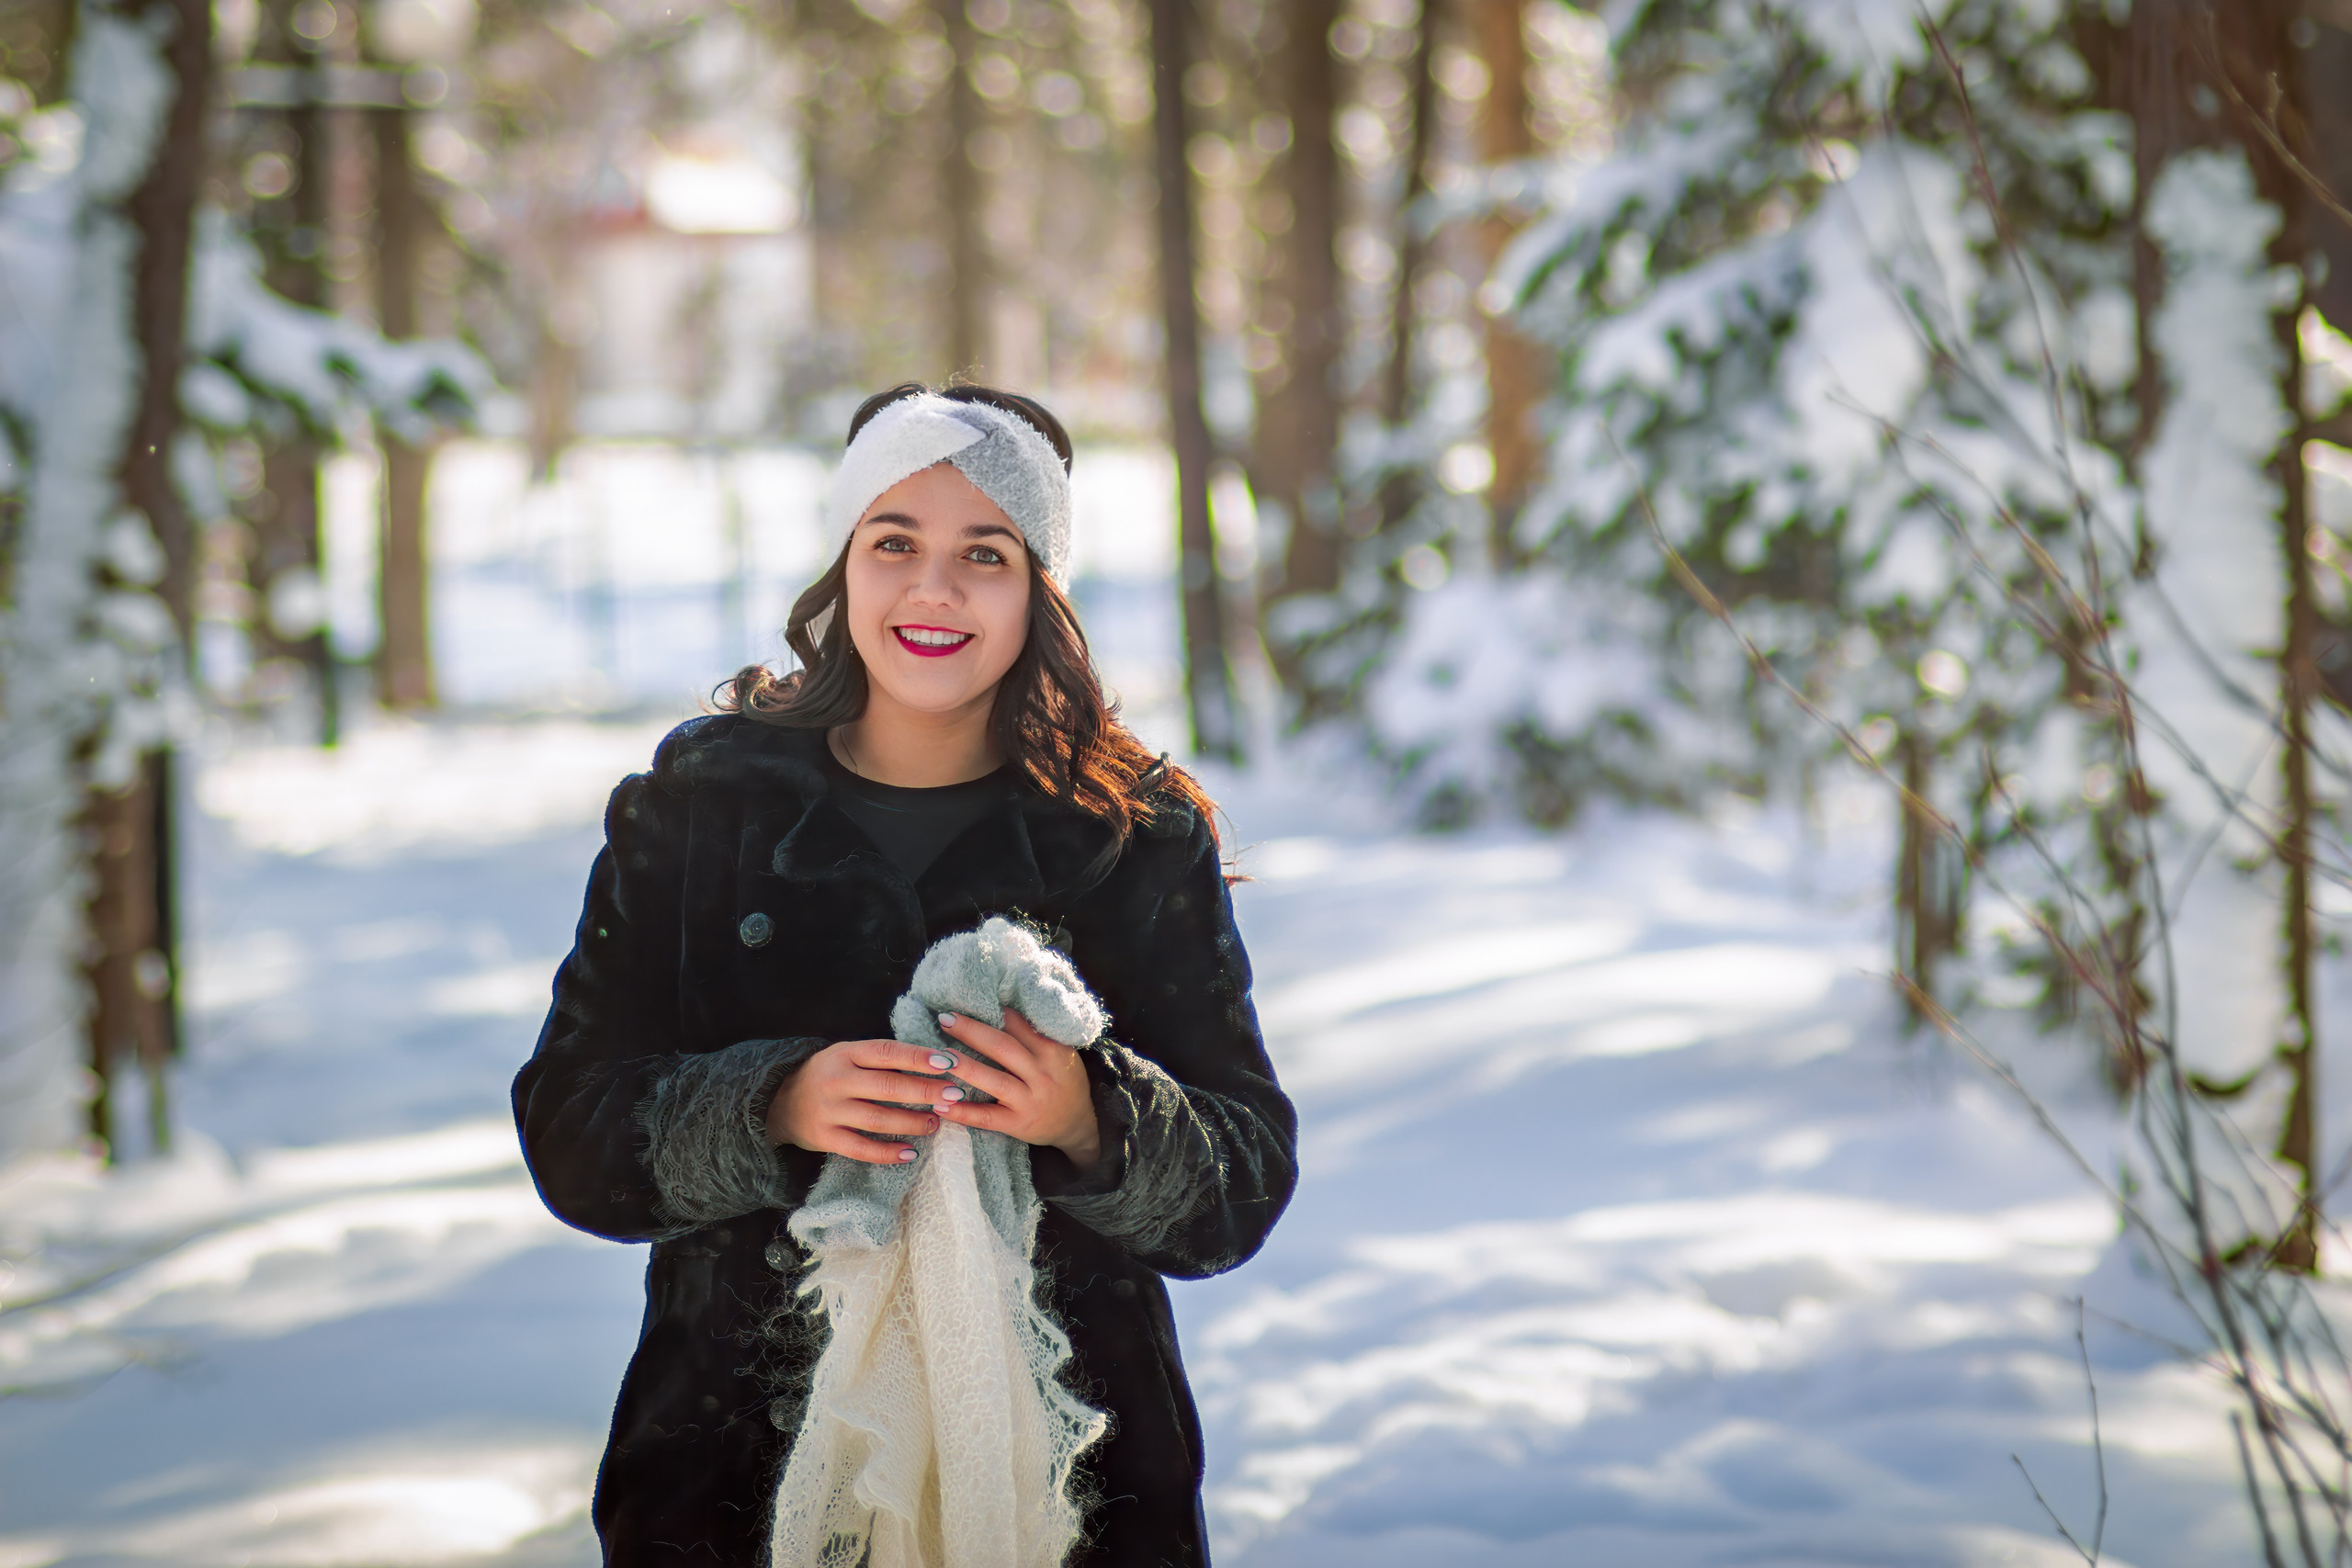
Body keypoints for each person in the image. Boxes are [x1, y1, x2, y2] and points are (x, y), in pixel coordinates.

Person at [513, 381, 1298, 1566]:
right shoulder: (702, 810)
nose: (935, 589)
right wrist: (771, 1105)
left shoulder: (1133, 838)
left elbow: (1244, 1178)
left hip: (1070, 1495)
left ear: (1040, 590)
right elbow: (570, 1132)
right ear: (843, 565)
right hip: (733, 1476)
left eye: (985, 553)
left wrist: (1089, 1118)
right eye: (894, 543)